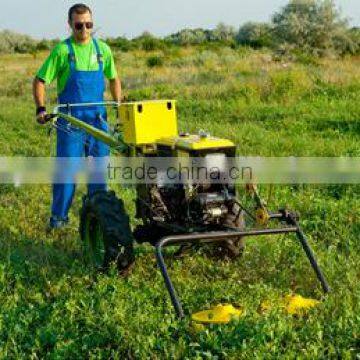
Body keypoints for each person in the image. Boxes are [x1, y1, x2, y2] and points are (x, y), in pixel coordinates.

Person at [33, 3, 121, 229]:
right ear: (70, 25)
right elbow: (40, 81)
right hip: (71, 122)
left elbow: (114, 78)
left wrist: (119, 104)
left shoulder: (103, 50)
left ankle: (96, 221)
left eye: (89, 25)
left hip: (98, 120)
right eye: (79, 25)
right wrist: (41, 109)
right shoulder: (62, 51)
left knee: (98, 173)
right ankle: (58, 220)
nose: (84, 30)